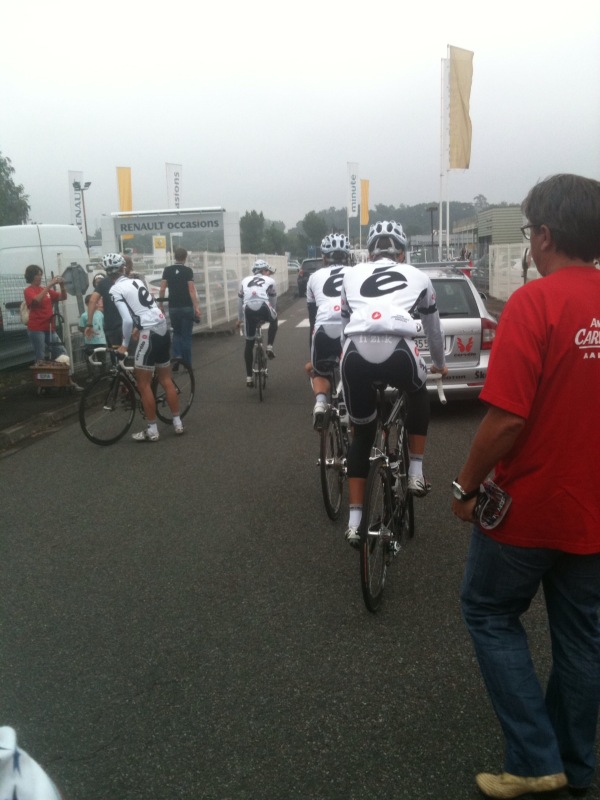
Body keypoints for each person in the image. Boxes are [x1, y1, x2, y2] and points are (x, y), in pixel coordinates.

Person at [452, 174, 600, 799]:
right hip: (592, 512)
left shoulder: (533, 305)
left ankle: (536, 758)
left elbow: (507, 419)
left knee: (488, 611)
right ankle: (577, 767)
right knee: (582, 637)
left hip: (527, 507)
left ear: (541, 236)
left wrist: (464, 485)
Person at [340, 220, 447, 548]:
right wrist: (440, 365)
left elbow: (345, 321)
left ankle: (354, 523)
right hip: (399, 351)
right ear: (402, 252)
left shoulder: (350, 274)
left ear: (371, 253)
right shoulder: (419, 275)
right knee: (417, 389)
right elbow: (433, 330)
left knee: (362, 436)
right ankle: (415, 472)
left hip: (354, 355)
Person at [103, 253, 184, 441]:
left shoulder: (115, 290)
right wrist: (138, 327)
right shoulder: (137, 282)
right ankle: (178, 423)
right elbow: (146, 308)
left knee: (143, 383)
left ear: (108, 273)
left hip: (149, 333)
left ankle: (152, 430)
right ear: (124, 268)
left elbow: (126, 319)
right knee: (166, 379)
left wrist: (124, 345)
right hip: (162, 327)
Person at [307, 233, 352, 429]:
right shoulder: (357, 272)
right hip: (349, 329)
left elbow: (312, 320)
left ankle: (320, 403)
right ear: (347, 256)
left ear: (324, 258)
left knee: (320, 373)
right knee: (353, 371)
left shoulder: (314, 277)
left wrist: (312, 356)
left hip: (324, 329)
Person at [236, 259, 278, 387]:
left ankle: (249, 377)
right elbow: (273, 300)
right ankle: (269, 346)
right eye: (267, 271)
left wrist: (240, 319)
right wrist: (273, 312)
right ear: (264, 271)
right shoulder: (270, 280)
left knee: (249, 344)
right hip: (263, 307)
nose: (269, 274)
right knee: (274, 319)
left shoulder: (244, 280)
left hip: (248, 309)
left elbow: (240, 302)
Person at [158, 247, 200, 367]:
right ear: (185, 257)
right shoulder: (188, 271)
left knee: (176, 333)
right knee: (186, 335)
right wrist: (196, 307)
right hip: (186, 306)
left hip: (173, 307)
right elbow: (191, 290)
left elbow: (162, 288)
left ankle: (177, 358)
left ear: (174, 256)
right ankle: (187, 363)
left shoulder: (167, 270)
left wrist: (161, 304)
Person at [23, 264, 69, 363]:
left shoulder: (44, 289)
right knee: (41, 355)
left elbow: (63, 297)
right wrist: (49, 285)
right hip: (36, 328)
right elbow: (36, 300)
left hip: (49, 327)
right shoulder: (28, 290)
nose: (40, 277)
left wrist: (62, 285)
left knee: (61, 351)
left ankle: (63, 376)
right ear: (32, 276)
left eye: (41, 275)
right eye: (38, 275)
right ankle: (42, 376)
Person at [85, 256, 125, 347]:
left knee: (117, 354)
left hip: (111, 326)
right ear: (122, 267)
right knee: (130, 355)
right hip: (128, 326)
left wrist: (89, 324)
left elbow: (92, 301)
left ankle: (118, 360)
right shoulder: (128, 281)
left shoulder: (103, 283)